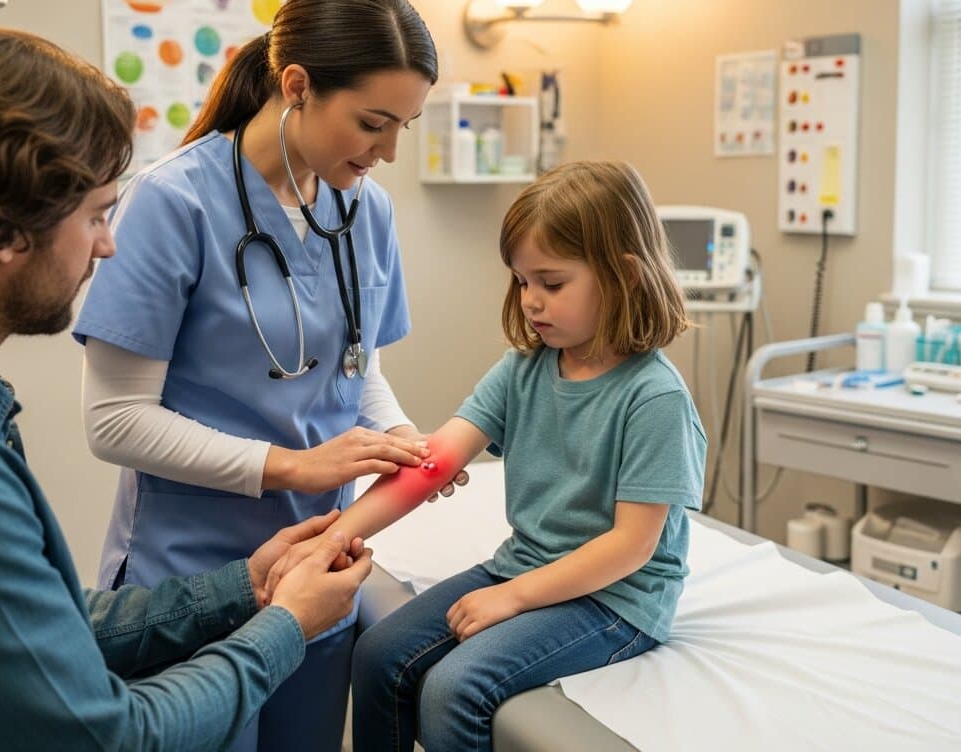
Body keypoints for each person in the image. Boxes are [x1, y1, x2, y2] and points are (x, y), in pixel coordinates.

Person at [0, 28, 372, 750]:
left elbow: (46, 629)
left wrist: (236, 591)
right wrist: (283, 626)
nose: (107, 245)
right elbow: (107, 739)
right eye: (97, 214)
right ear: (4, 230)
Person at [73, 0, 460, 751]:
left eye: (404, 128)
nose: (387, 151)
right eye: (373, 122)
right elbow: (113, 421)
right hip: (188, 583)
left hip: (320, 573)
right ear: (296, 85)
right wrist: (295, 465)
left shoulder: (365, 209)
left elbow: (357, 368)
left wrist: (403, 440)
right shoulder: (171, 201)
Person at [275, 160, 707, 752]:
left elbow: (631, 546)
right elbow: (433, 464)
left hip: (618, 597)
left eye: (551, 284)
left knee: (455, 688)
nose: (531, 301)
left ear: (626, 276)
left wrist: (513, 596)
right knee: (376, 653)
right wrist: (330, 539)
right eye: (522, 282)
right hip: (528, 563)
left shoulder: (653, 397)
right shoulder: (524, 370)